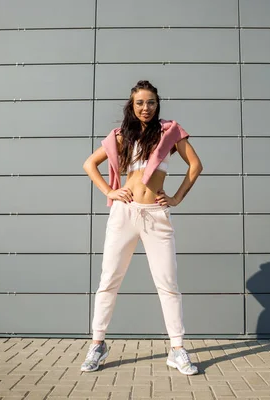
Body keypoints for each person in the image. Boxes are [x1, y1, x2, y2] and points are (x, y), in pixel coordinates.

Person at [81, 80, 203, 375]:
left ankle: (177, 350)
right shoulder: (123, 136)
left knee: (168, 284)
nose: (145, 108)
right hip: (124, 214)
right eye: (139, 103)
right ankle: (97, 344)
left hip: (156, 215)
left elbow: (195, 165)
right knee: (109, 279)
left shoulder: (170, 132)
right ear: (131, 105)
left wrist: (175, 198)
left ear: (157, 103)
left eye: (150, 102)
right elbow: (89, 164)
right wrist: (110, 192)